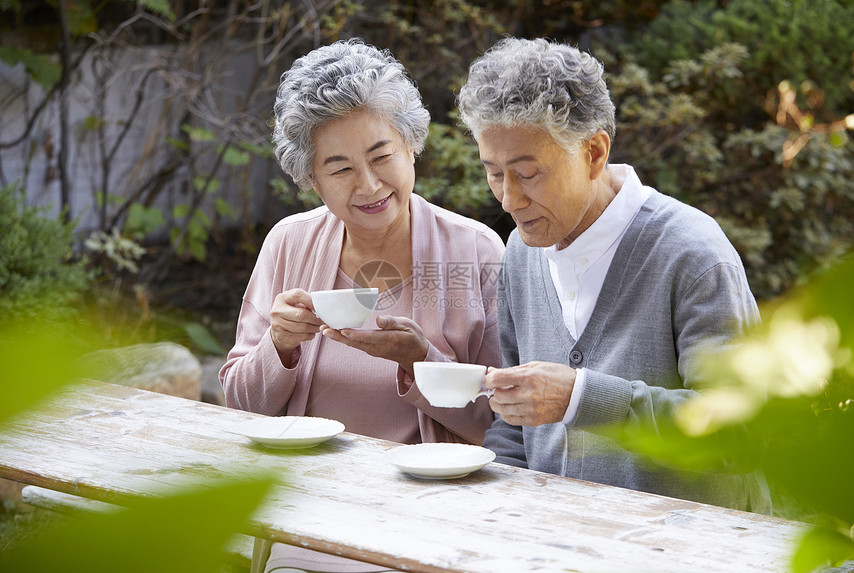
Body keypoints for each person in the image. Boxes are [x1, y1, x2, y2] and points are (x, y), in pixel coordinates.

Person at [220, 39, 504, 572]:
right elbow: (241, 405)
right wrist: (277, 347)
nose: (369, 185)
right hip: (303, 510)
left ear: (411, 147)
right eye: (341, 168)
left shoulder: (477, 251)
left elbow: (500, 420)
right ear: (311, 179)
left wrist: (418, 361)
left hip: (432, 517)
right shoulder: (289, 244)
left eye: (381, 156)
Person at [456, 37, 771, 513]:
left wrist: (583, 397)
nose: (508, 199)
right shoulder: (522, 250)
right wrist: (492, 507)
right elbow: (516, 423)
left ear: (595, 151)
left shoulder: (693, 253)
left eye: (528, 172)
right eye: (494, 172)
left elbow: (743, 431)